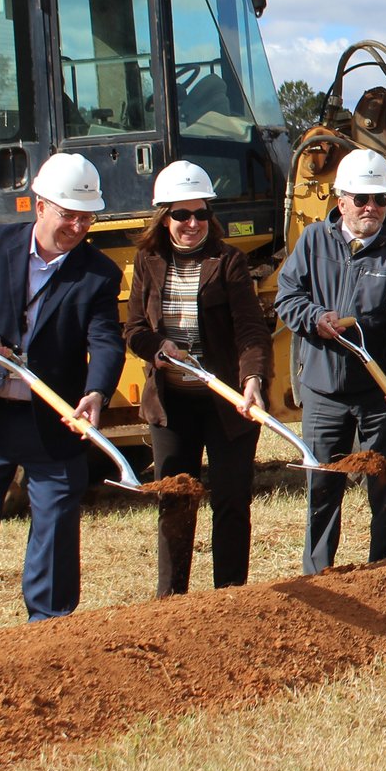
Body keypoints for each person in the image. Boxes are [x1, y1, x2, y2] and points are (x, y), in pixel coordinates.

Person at [0, 151, 125, 634]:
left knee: (56, 526)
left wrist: (97, 392)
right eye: (68, 215)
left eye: (86, 217)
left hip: (51, 422)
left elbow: (104, 340)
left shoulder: (98, 273)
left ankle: (49, 630)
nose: (77, 227)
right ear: (40, 206)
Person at [274, 149, 386, 572]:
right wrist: (314, 319)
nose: (371, 208)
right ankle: (318, 575)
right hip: (324, 390)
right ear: (340, 199)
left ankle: (384, 570)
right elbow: (287, 296)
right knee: (323, 484)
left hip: (378, 392)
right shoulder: (312, 241)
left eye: (380, 200)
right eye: (362, 199)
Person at [124, 160, 273, 593]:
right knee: (176, 499)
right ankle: (171, 600)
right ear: (163, 217)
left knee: (230, 500)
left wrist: (252, 381)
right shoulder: (147, 260)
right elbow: (134, 329)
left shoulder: (229, 262)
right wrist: (158, 348)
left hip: (225, 401)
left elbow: (250, 329)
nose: (192, 223)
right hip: (172, 404)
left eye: (201, 213)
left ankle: (228, 597)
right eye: (181, 214)